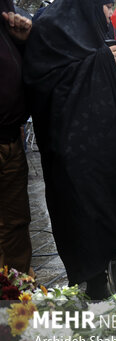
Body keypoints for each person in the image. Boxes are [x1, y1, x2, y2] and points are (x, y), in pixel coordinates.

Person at [23, 0, 116, 299]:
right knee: (81, 213)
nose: (109, 13)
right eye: (106, 5)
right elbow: (43, 83)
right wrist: (101, 61)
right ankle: (94, 283)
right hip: (69, 147)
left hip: (106, 143)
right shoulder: (50, 24)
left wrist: (107, 61)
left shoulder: (87, 26)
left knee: (109, 207)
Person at [0, 2, 32, 274]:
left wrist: (23, 42)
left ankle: (18, 293)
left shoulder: (9, 24)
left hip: (11, 137)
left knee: (17, 222)